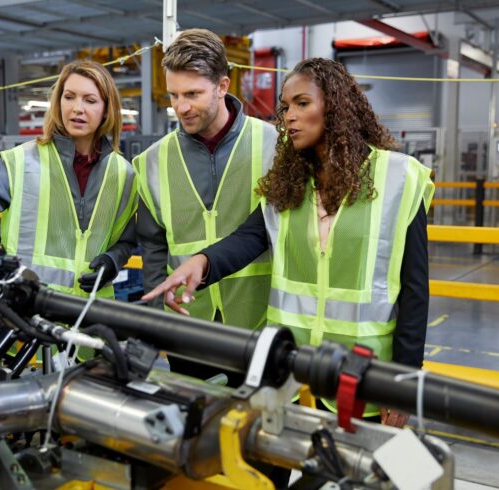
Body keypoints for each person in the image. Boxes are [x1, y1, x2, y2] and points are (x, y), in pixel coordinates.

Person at [144, 58, 435, 427]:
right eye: (285, 108)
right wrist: (200, 263)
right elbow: (248, 238)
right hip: (290, 372)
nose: (289, 117)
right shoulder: (290, 183)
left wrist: (404, 384)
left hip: (364, 373)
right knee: (273, 474)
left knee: (368, 474)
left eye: (302, 103)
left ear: (335, 104)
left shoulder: (399, 178)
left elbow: (415, 293)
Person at [0, 60, 138, 298]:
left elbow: (125, 240)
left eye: (90, 100)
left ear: (107, 110)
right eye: (69, 97)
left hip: (91, 314)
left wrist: (112, 262)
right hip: (26, 305)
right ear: (58, 103)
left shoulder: (123, 174)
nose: (77, 108)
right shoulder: (23, 160)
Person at [133, 28, 276, 328]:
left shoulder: (274, 146)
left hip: (261, 321)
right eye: (174, 95)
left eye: (192, 94)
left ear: (222, 86)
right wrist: (157, 320)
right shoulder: (151, 162)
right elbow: (153, 249)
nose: (181, 107)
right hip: (188, 324)